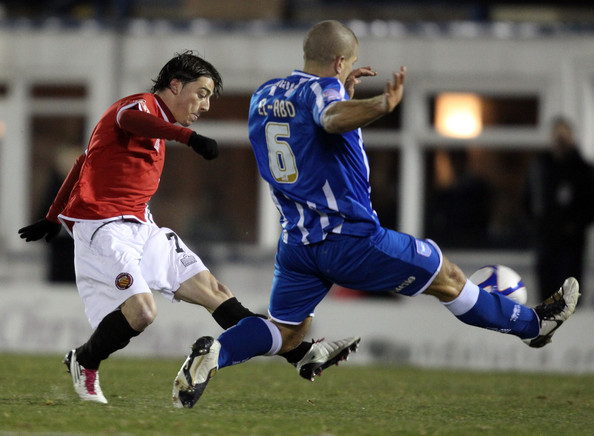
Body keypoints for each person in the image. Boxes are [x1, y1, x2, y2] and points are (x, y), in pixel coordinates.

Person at [170, 21, 580, 408]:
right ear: (339, 62)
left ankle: (216, 352)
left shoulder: (264, 95)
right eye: (348, 63)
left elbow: (308, 132)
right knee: (449, 277)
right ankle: (533, 327)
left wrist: (342, 96)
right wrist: (379, 103)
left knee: (287, 332)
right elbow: (329, 118)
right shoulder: (323, 93)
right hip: (350, 240)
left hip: (297, 244)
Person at [18, 50, 359, 405]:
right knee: (142, 312)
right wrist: (188, 137)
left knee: (215, 292)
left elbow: (84, 162)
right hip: (105, 229)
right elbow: (128, 119)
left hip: (142, 225)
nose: (206, 105)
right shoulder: (139, 107)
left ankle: (300, 353)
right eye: (202, 93)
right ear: (176, 85)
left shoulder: (152, 123)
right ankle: (84, 360)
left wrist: (52, 216)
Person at [524, 116, 594, 304]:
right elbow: (528, 202)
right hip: (545, 242)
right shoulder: (540, 168)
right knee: (546, 298)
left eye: (564, 136)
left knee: (569, 297)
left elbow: (589, 207)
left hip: (571, 247)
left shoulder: (583, 170)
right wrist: (537, 226)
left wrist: (574, 225)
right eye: (557, 136)